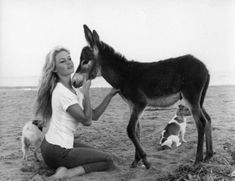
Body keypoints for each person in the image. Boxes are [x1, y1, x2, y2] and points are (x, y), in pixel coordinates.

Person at [35, 46, 119, 179]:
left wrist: (109, 95)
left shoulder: (73, 89)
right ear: (55, 68)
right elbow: (87, 121)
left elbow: (94, 115)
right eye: (62, 61)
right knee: (108, 160)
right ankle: (67, 172)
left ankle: (63, 167)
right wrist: (86, 93)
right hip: (57, 151)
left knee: (99, 154)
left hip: (55, 146)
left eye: (69, 58)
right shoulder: (62, 92)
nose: (69, 62)